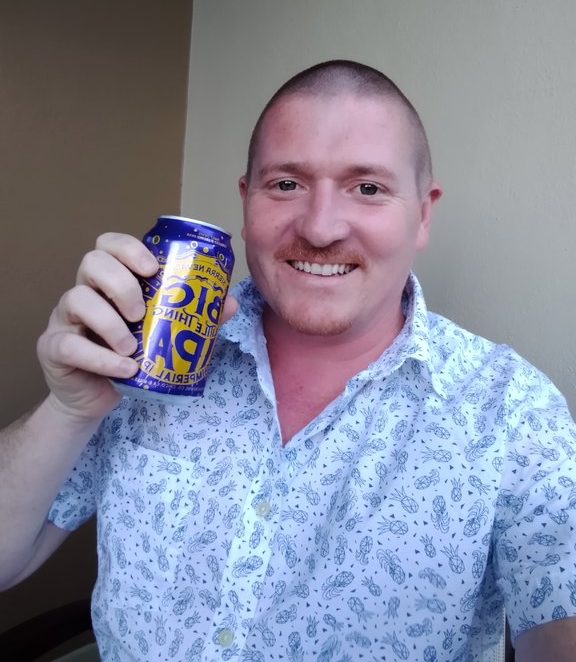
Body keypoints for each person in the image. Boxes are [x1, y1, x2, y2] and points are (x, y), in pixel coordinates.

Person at [1, 60, 575, 662]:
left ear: (423, 214)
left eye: (368, 188)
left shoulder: (512, 411)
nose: (321, 228)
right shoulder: (150, 350)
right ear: (246, 201)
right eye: (286, 184)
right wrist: (68, 410)